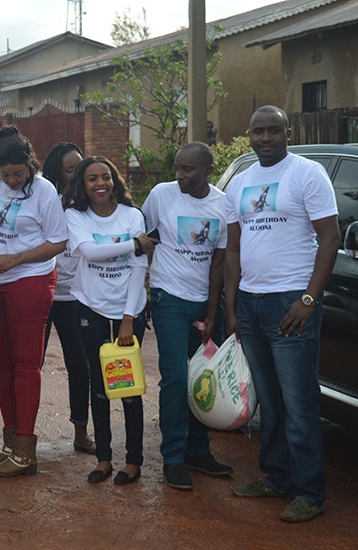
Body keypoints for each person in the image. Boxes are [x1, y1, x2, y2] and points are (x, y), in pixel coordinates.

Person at [225, 105, 339, 523]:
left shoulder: (307, 174)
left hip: (291, 302)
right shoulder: (240, 182)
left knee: (300, 402)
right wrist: (232, 307)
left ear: (288, 133)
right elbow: (234, 250)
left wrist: (308, 299)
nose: (266, 138)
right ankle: (276, 478)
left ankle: (310, 492)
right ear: (249, 135)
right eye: (259, 131)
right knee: (269, 402)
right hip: (252, 305)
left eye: (274, 130)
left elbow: (330, 239)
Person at [0, 126, 68, 477]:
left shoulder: (44, 191)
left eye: (19, 174)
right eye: (5, 174)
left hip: (30, 281)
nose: (12, 181)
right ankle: (10, 444)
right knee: (1, 363)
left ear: (30, 165)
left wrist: (16, 259)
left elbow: (58, 241)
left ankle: (26, 451)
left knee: (26, 364)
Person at [141, 142, 233, 491]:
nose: (180, 175)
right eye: (177, 168)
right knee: (177, 378)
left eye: (188, 170)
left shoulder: (222, 204)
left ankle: (198, 450)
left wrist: (212, 315)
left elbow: (219, 263)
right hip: (169, 299)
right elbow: (145, 238)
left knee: (203, 377)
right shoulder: (161, 195)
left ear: (208, 170)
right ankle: (173, 457)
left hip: (205, 301)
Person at [63, 156, 157, 485]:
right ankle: (104, 457)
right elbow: (88, 251)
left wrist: (129, 319)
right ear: (83, 185)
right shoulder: (75, 216)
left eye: (106, 177)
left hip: (127, 309)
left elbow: (138, 269)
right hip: (90, 306)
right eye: (92, 179)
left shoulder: (132, 215)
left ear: (114, 181)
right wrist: (133, 244)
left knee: (129, 386)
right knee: (99, 386)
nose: (100, 183)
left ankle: (133, 461)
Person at [40, 142, 95, 454]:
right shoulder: (45, 200)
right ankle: (23, 434)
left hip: (76, 296)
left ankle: (80, 432)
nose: (77, 174)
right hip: (44, 292)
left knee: (81, 365)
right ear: (56, 173)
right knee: (32, 364)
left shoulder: (88, 203)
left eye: (80, 167)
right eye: (71, 169)